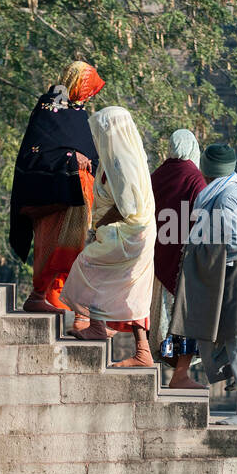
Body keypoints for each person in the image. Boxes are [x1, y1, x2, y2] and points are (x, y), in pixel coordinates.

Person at [171, 143, 237, 425]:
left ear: (206, 170)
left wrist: (204, 256)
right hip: (235, 272)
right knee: (230, 338)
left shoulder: (227, 197)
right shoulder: (221, 193)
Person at [61, 106, 157, 367]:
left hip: (130, 231)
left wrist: (98, 227)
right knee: (132, 291)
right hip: (134, 231)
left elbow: (127, 206)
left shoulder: (121, 161)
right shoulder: (117, 157)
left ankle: (97, 326)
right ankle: (141, 350)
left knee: (87, 266)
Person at [9, 61, 104, 313]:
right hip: (53, 191)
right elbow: (35, 153)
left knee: (73, 246)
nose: (89, 98)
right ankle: (39, 294)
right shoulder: (50, 108)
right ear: (77, 86)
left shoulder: (77, 112)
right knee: (50, 243)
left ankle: (56, 294)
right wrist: (71, 158)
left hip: (79, 193)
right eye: (88, 92)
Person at [150, 129, 207, 388]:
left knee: (159, 315)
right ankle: (181, 375)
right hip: (184, 261)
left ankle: (153, 366)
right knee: (184, 318)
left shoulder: (156, 175)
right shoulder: (195, 178)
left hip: (157, 257)